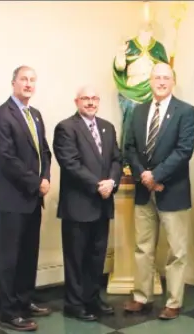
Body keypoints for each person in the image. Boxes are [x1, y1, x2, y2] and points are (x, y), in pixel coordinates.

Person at [123, 63, 194, 320]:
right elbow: (129, 147)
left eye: (166, 77)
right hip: (144, 192)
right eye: (157, 77)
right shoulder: (138, 110)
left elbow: (183, 150)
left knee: (176, 251)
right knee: (143, 248)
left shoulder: (185, 111)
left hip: (172, 191)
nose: (161, 81)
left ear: (173, 81)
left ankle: (174, 302)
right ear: (150, 81)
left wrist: (157, 175)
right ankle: (141, 297)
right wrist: (144, 175)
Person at [0, 66, 52, 331]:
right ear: (13, 82)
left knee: (28, 255)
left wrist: (45, 177)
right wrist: (36, 182)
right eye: (24, 79)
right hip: (11, 199)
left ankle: (25, 301)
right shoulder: (1, 115)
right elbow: (6, 160)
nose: (28, 84)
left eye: (32, 80)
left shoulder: (34, 115)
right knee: (10, 258)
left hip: (33, 198)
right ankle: (9, 312)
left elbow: (45, 152)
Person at [53, 86, 122, 321]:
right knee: (75, 257)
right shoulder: (66, 128)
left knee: (96, 255)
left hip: (103, 205)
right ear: (76, 101)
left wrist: (111, 182)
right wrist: (98, 185)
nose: (90, 102)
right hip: (78, 205)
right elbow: (70, 164)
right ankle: (74, 304)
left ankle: (92, 298)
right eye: (85, 98)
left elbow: (116, 159)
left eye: (94, 98)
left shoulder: (108, 127)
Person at [113, 21, 169, 162]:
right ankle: (127, 161)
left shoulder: (158, 47)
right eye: (144, 28)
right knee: (130, 125)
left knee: (152, 125)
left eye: (149, 29)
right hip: (132, 91)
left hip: (151, 91)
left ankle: (149, 159)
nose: (146, 31)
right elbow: (120, 68)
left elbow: (165, 70)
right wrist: (120, 53)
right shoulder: (129, 45)